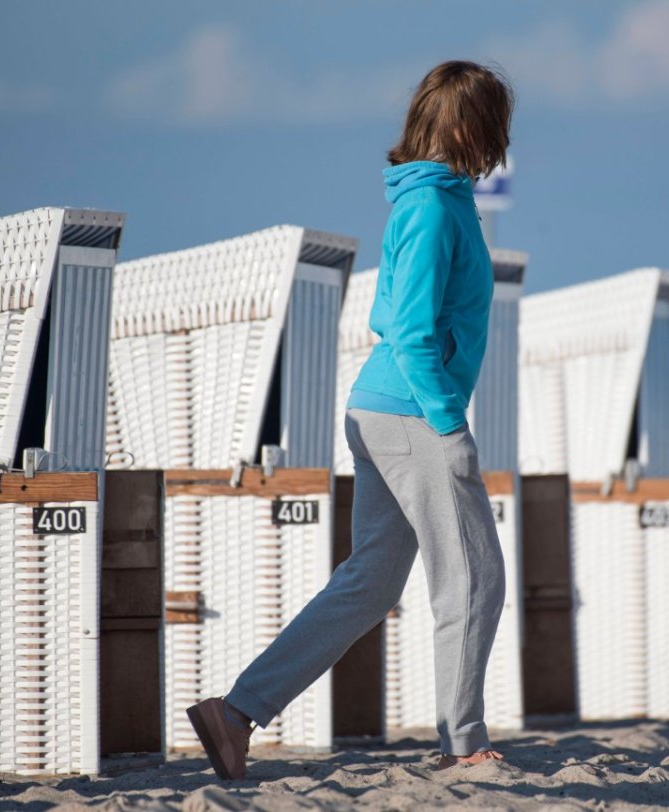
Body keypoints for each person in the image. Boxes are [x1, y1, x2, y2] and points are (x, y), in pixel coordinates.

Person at [186, 59, 515, 780]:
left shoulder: (429, 200)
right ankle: (463, 742)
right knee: (475, 577)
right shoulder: (432, 207)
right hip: (410, 413)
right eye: (494, 126)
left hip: (382, 409)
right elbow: (409, 325)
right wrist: (448, 424)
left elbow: (382, 313)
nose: (499, 144)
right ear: (466, 126)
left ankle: (235, 714)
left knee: (370, 583)